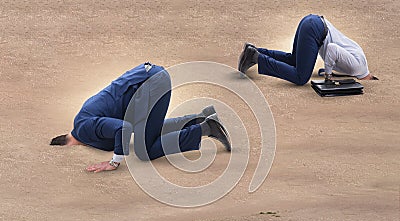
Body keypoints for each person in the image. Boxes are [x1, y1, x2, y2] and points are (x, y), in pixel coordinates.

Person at [50, 62, 231, 173]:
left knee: (145, 151)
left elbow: (123, 128)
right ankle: (200, 118)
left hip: (151, 82)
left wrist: (115, 162)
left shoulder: (85, 128)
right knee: (146, 134)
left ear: (69, 144)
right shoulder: (85, 128)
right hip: (149, 79)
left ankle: (206, 128)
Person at [238, 14, 377, 85]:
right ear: (369, 79)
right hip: (315, 30)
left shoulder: (358, 66)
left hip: (312, 23)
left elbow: (338, 59)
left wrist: (328, 71)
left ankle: (254, 51)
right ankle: (256, 58)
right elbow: (332, 49)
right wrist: (328, 76)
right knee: (301, 77)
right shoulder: (357, 68)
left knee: (294, 61)